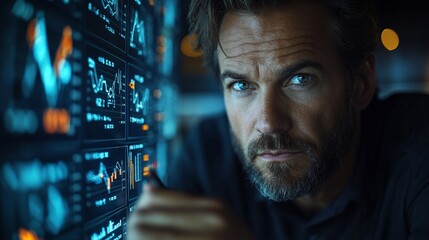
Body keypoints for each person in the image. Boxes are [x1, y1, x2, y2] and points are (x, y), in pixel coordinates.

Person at [128, 0, 429, 239]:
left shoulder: (419, 147)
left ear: (360, 83)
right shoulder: (207, 156)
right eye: (242, 86)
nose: (268, 123)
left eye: (299, 80)